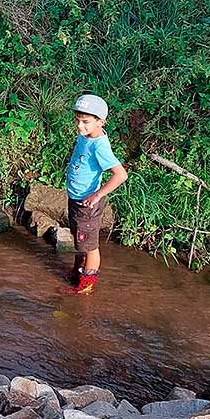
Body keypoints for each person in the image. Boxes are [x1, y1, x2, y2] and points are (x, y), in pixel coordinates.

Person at [61, 94, 128, 295]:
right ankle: (77, 274)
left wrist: (97, 195)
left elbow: (120, 175)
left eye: (85, 122)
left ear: (101, 121)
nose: (79, 126)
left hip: (87, 204)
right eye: (77, 120)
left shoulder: (100, 145)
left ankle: (86, 287)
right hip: (76, 199)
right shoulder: (85, 136)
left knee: (90, 246)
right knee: (80, 240)